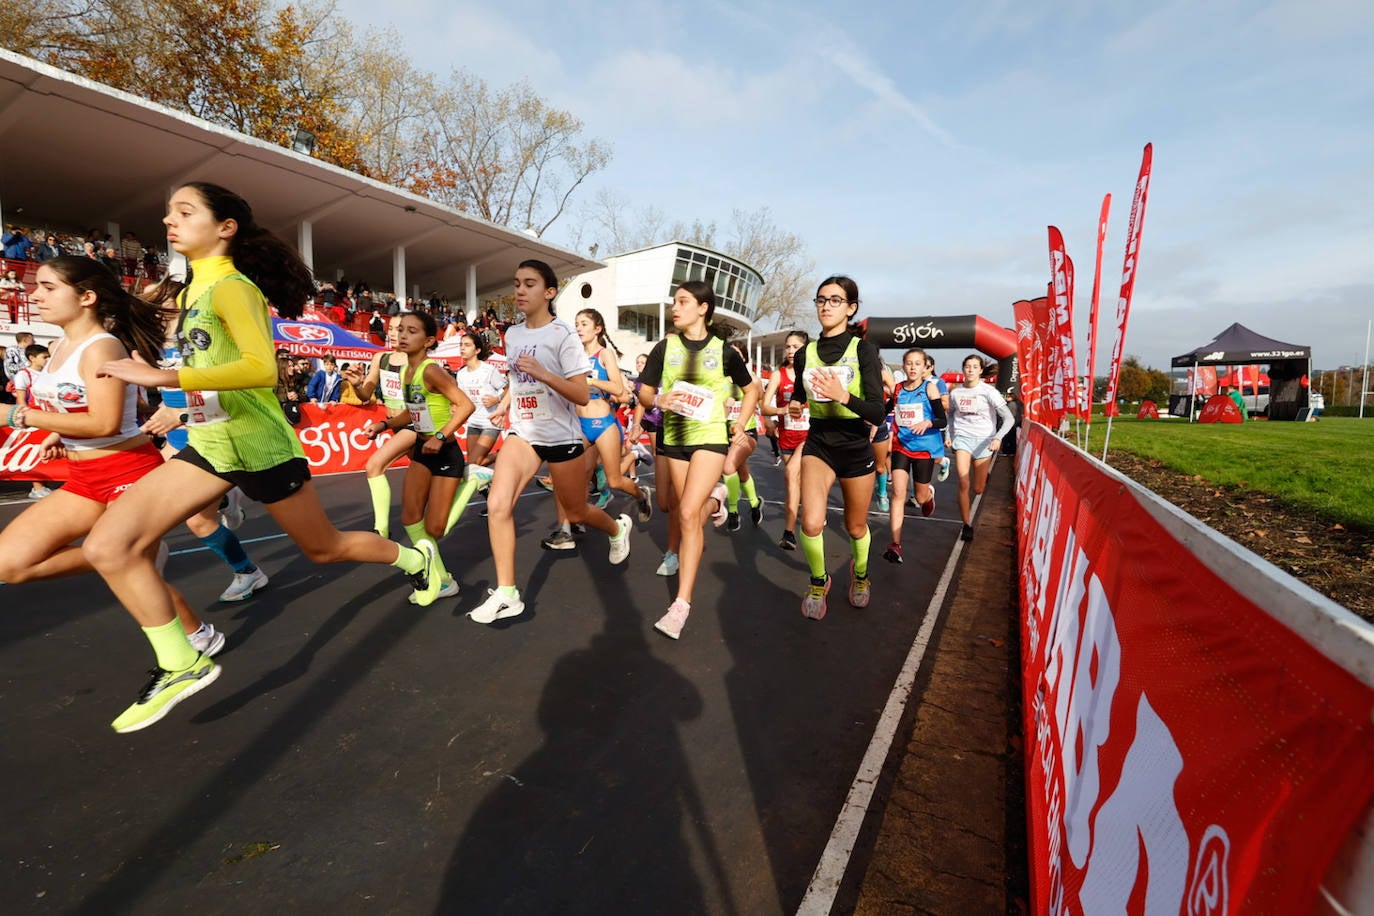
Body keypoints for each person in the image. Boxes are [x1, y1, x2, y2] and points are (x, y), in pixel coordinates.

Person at [83, 182, 443, 731]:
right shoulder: (188, 294)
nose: (167, 220)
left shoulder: (232, 288)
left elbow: (260, 370)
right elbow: (210, 370)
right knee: (109, 543)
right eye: (168, 211)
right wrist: (178, 406)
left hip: (260, 448)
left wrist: (163, 376)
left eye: (185, 211)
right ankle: (181, 662)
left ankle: (416, 561)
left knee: (325, 549)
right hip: (208, 446)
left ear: (225, 227)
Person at [0, 256, 226, 731]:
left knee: (120, 558)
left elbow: (104, 424)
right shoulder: (61, 343)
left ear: (86, 296)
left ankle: (187, 651)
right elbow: (81, 413)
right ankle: (195, 632)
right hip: (84, 477)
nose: (34, 294)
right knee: (11, 564)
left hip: (127, 470)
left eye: (45, 286)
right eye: (34, 286)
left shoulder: (101, 347)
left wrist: (21, 418)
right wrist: (59, 433)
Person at [468, 259, 632, 625]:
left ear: (550, 292)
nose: (520, 291)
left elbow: (580, 392)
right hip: (524, 432)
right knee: (498, 504)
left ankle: (617, 528)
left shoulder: (563, 336)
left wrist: (543, 372)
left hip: (562, 435)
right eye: (517, 283)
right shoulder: (512, 334)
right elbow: (517, 378)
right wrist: (505, 407)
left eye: (529, 284)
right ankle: (508, 593)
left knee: (576, 513)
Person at [636, 280, 759, 639]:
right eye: (674, 301)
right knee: (680, 510)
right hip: (674, 440)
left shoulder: (724, 352)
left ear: (703, 308)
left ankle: (681, 604)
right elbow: (643, 393)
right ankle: (716, 499)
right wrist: (660, 401)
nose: (675, 308)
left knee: (688, 513)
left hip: (710, 439)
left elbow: (752, 389)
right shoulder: (665, 347)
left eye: (683, 302)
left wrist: (738, 423)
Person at [139, 275, 270, 602]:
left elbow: (227, 396)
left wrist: (181, 416)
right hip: (178, 437)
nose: (148, 306)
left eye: (155, 300)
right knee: (175, 514)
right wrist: (152, 412)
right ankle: (228, 501)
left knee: (198, 520)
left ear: (175, 302)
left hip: (212, 435)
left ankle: (247, 572)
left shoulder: (200, 338)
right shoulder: (150, 342)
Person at [789, 276, 888, 619]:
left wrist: (843, 395)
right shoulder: (805, 354)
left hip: (856, 446)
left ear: (851, 308)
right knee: (812, 523)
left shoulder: (863, 350)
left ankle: (860, 575)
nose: (826, 306)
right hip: (819, 444)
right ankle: (819, 579)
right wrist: (794, 405)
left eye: (835, 300)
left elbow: (878, 410)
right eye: (821, 299)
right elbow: (799, 396)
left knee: (856, 527)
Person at [365, 310, 475, 602]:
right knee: (411, 519)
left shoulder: (431, 370)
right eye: (401, 329)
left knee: (435, 528)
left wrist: (440, 437)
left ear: (428, 341)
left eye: (411, 331)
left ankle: (474, 480)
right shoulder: (405, 371)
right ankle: (443, 581)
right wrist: (384, 424)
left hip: (445, 452)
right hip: (421, 452)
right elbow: (409, 414)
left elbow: (466, 405)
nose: (402, 335)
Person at [543, 308, 651, 549]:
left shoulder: (605, 355)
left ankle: (641, 494)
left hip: (603, 425)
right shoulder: (571, 356)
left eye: (583, 324)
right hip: (578, 425)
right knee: (566, 475)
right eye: (576, 324)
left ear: (597, 329)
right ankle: (565, 529)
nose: (578, 328)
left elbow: (619, 390)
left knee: (613, 480)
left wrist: (591, 381)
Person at [345, 315, 417, 537]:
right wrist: (357, 385)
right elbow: (366, 394)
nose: (394, 333)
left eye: (401, 328)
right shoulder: (381, 358)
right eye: (392, 328)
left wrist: (383, 425)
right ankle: (472, 476)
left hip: (414, 423)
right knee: (433, 472)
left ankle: (381, 530)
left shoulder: (416, 361)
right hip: (395, 424)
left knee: (374, 465)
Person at [883, 348, 947, 564]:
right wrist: (873, 422)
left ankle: (928, 494)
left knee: (919, 498)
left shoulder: (930, 389)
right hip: (901, 445)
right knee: (898, 493)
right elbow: (887, 409)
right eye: (909, 363)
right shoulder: (898, 389)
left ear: (925, 368)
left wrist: (928, 422)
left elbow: (942, 421)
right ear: (903, 366)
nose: (912, 367)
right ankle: (895, 544)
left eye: (917, 364)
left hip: (924, 448)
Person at [946, 354, 1015, 542]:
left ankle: (983, 478)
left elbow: (1009, 418)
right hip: (962, 439)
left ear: (980, 371)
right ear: (963, 369)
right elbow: (951, 415)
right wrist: (948, 435)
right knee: (963, 482)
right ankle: (966, 525)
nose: (970, 370)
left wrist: (998, 438)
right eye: (967, 366)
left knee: (978, 488)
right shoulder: (956, 393)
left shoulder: (988, 392)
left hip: (984, 441)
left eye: (974, 367)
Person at [759, 330, 809, 549]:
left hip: (810, 437)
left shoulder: (812, 373)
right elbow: (764, 406)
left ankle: (789, 532)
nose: (790, 351)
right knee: (795, 483)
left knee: (791, 475)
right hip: (788, 437)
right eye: (788, 346)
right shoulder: (779, 375)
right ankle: (812, 509)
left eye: (796, 347)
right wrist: (783, 410)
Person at [720, 340, 764, 532]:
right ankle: (755, 504)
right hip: (724, 434)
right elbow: (716, 415)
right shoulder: (719, 381)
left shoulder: (752, 380)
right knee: (741, 470)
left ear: (744, 358)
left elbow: (760, 401)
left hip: (747, 432)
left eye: (737, 354)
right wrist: (725, 407)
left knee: (729, 467)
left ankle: (733, 511)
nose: (733, 357)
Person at [452, 330, 508, 473]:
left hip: (490, 422)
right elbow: (462, 399)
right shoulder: (461, 374)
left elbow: (509, 389)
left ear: (477, 350)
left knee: (472, 464)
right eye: (461, 345)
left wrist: (497, 398)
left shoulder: (488, 370)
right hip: (473, 422)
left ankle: (499, 455)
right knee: (474, 467)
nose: (462, 348)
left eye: (467, 345)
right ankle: (487, 486)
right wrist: (455, 406)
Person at [10, 342, 55, 498]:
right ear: (32, 358)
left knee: (47, 450)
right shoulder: (24, 374)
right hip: (33, 417)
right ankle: (37, 487)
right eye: (44, 357)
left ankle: (46, 483)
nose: (47, 359)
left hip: (48, 415)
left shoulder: (47, 373)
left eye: (48, 356)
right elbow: (21, 399)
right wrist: (24, 419)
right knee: (35, 451)